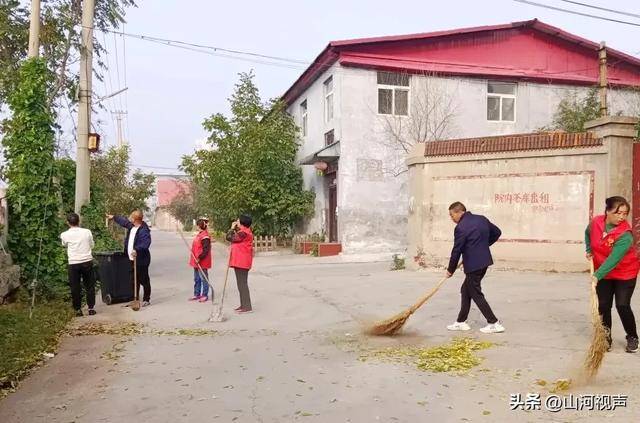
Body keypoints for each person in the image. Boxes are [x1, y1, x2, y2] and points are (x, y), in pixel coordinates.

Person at [586, 196, 640, 353]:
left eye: (625, 214)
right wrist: (589, 249)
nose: (622, 217)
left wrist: (597, 275)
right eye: (618, 213)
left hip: (625, 272)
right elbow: (587, 233)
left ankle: (632, 337)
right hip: (604, 272)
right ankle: (605, 338)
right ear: (607, 211)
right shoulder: (596, 222)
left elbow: (613, 260)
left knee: (622, 305)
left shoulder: (625, 235)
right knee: (603, 305)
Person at [445, 202, 505, 334]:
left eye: (452, 215)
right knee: (465, 289)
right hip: (484, 261)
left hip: (474, 264)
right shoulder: (481, 219)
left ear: (459, 212)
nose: (451, 218)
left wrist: (450, 269)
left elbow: (456, 251)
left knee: (475, 293)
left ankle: (494, 322)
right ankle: (461, 322)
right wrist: (483, 246)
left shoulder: (461, 227)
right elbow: (497, 232)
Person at [107, 210, 152, 307]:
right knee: (133, 280)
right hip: (132, 258)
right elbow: (124, 222)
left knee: (143, 279)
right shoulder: (132, 226)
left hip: (141, 259)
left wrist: (136, 249)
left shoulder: (144, 230)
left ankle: (146, 299)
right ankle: (134, 299)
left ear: (135, 219)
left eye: (131, 217)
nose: (129, 218)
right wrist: (114, 217)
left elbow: (145, 244)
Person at [60, 212, 96, 317]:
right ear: (79, 221)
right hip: (87, 261)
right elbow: (92, 244)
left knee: (75, 287)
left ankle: (78, 310)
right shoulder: (87, 232)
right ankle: (91, 308)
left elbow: (64, 244)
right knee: (89, 285)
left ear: (68, 223)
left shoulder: (64, 234)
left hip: (73, 263)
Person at [226, 214, 254, 313]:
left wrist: (232, 228)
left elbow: (229, 237)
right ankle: (243, 305)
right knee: (241, 284)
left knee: (242, 284)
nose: (236, 222)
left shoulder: (244, 233)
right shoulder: (244, 232)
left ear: (242, 222)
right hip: (240, 261)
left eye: (238, 220)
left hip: (242, 261)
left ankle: (247, 307)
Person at [189, 217, 213, 302]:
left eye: (197, 225)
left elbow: (206, 249)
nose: (196, 227)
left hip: (202, 261)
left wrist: (200, 258)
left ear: (199, 226)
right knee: (197, 278)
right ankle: (197, 294)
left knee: (204, 278)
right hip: (196, 260)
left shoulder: (205, 236)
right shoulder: (200, 234)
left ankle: (205, 295)